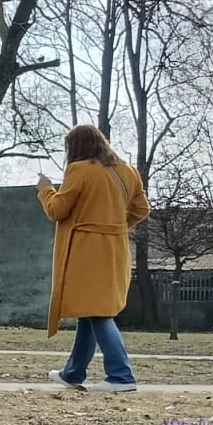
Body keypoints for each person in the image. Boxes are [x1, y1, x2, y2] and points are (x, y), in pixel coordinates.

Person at [39, 124, 150, 391]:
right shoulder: (128, 170)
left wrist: (45, 189)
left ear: (75, 147)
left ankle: (121, 376)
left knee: (98, 313)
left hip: (86, 251)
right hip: (116, 249)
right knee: (90, 311)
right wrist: (114, 225)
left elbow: (56, 209)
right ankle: (73, 373)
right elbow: (142, 209)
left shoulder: (79, 170)